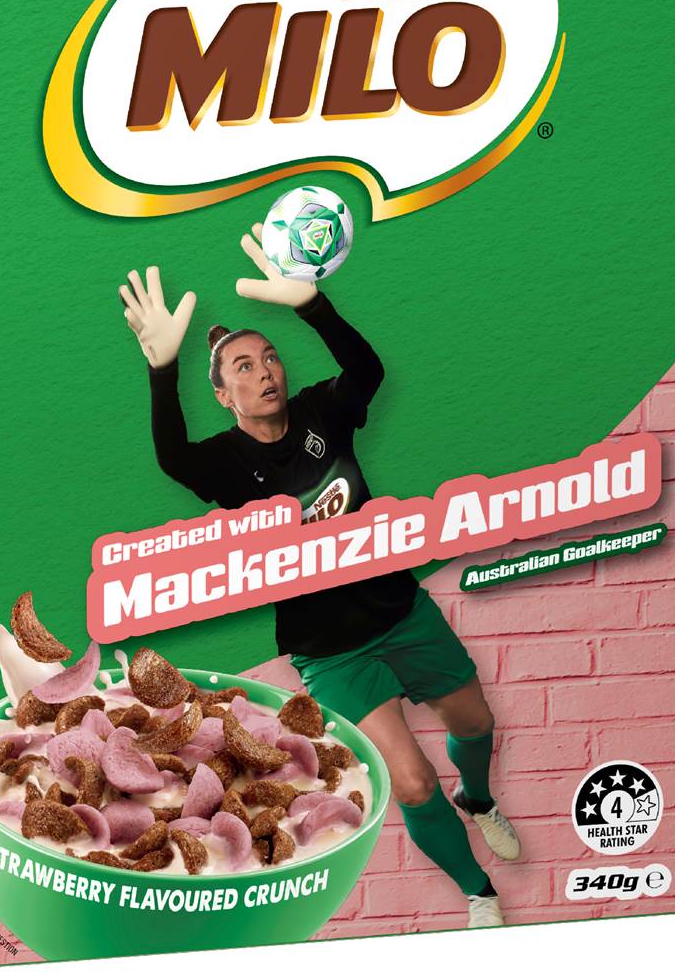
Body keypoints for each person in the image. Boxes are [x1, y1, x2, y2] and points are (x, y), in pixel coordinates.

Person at [119, 226, 520, 927]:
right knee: (413, 783)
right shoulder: (222, 462)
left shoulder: (321, 413)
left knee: (476, 722)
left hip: (399, 609)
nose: (264, 372)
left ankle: (479, 800)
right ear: (223, 394)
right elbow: (173, 457)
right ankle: (479, 894)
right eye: (243, 366)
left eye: (269, 357)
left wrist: (312, 305)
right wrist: (161, 367)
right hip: (329, 649)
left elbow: (367, 370)